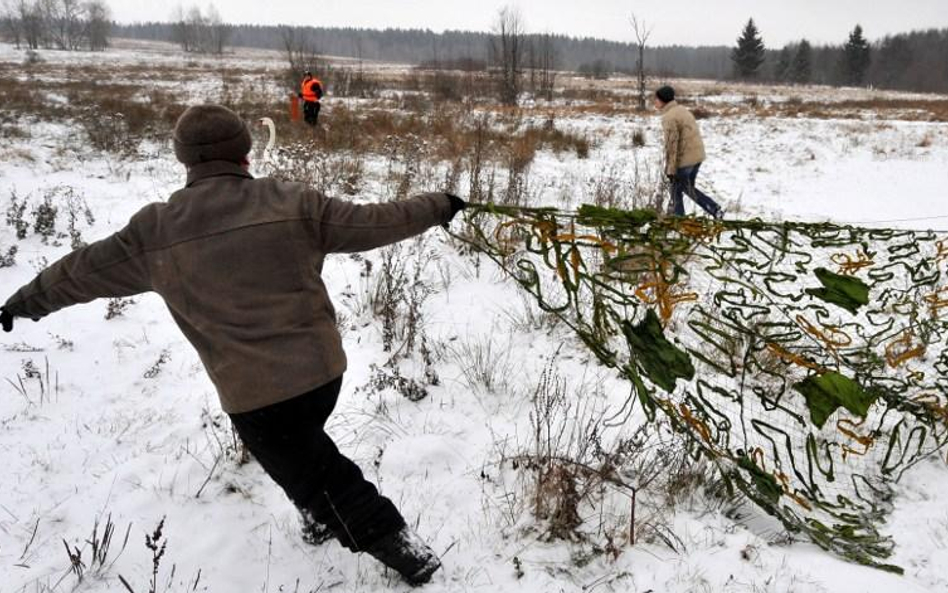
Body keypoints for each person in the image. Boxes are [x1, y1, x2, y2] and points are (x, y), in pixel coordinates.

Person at [0, 104, 466, 586]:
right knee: (304, 451)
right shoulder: (293, 202)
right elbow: (378, 221)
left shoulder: (156, 232)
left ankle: (411, 557)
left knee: (323, 481)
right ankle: (315, 517)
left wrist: (21, 303)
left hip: (259, 398)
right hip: (325, 374)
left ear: (184, 159)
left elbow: (81, 272)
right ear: (244, 151)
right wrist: (441, 204)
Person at [654, 85, 723, 219]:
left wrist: (670, 169)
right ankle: (711, 210)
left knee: (677, 189)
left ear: (663, 100)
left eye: (656, 99)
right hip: (697, 157)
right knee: (686, 188)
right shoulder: (681, 110)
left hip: (685, 160)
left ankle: (681, 219)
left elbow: (672, 146)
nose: (654, 102)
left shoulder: (668, 117)